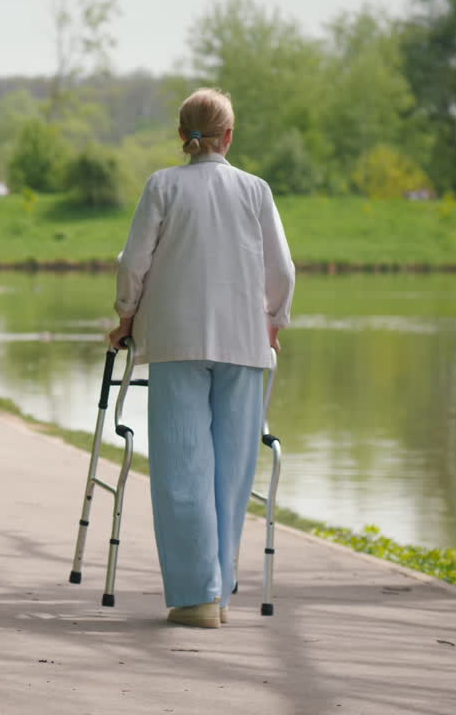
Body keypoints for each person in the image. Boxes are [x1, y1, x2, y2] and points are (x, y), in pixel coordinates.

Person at [106, 88, 295, 629]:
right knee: (233, 470)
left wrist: (125, 316)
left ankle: (197, 597)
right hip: (243, 343)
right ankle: (222, 587)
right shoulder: (255, 190)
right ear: (229, 136)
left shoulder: (162, 185)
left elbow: (133, 262)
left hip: (175, 341)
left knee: (183, 467)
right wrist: (273, 323)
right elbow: (282, 270)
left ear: (181, 135)